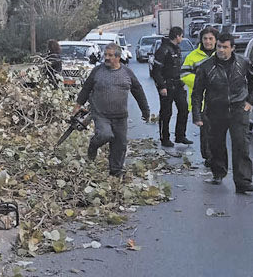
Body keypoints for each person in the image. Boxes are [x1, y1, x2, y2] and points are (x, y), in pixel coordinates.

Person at [192, 33, 253, 193]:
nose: (221, 50)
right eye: (219, 47)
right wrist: (197, 115)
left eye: (225, 47)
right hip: (215, 110)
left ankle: (243, 181)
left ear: (233, 48)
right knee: (216, 144)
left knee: (241, 144)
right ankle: (218, 172)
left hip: (238, 109)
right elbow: (197, 93)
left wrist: (249, 102)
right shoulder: (206, 67)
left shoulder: (243, 63)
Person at [74, 43, 150, 177]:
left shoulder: (127, 73)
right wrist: (78, 105)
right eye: (105, 55)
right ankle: (93, 144)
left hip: (121, 117)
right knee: (105, 135)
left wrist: (145, 111)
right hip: (101, 114)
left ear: (118, 57)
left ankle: (115, 171)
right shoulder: (97, 71)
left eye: (110, 55)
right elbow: (86, 87)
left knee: (120, 145)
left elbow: (138, 91)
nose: (107, 58)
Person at [181, 26, 219, 167]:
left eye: (210, 39)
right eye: (205, 39)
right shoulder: (192, 56)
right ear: (201, 40)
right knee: (207, 132)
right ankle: (209, 157)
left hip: (219, 101)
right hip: (201, 102)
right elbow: (184, 75)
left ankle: (216, 155)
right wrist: (200, 83)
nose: (208, 42)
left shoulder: (221, 55)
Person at [153, 26, 192, 147]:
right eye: (181, 36)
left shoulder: (176, 49)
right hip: (166, 85)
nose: (182, 38)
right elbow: (156, 71)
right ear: (177, 36)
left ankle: (180, 136)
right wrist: (162, 86)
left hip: (177, 84)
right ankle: (165, 138)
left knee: (184, 108)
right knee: (166, 112)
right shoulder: (163, 50)